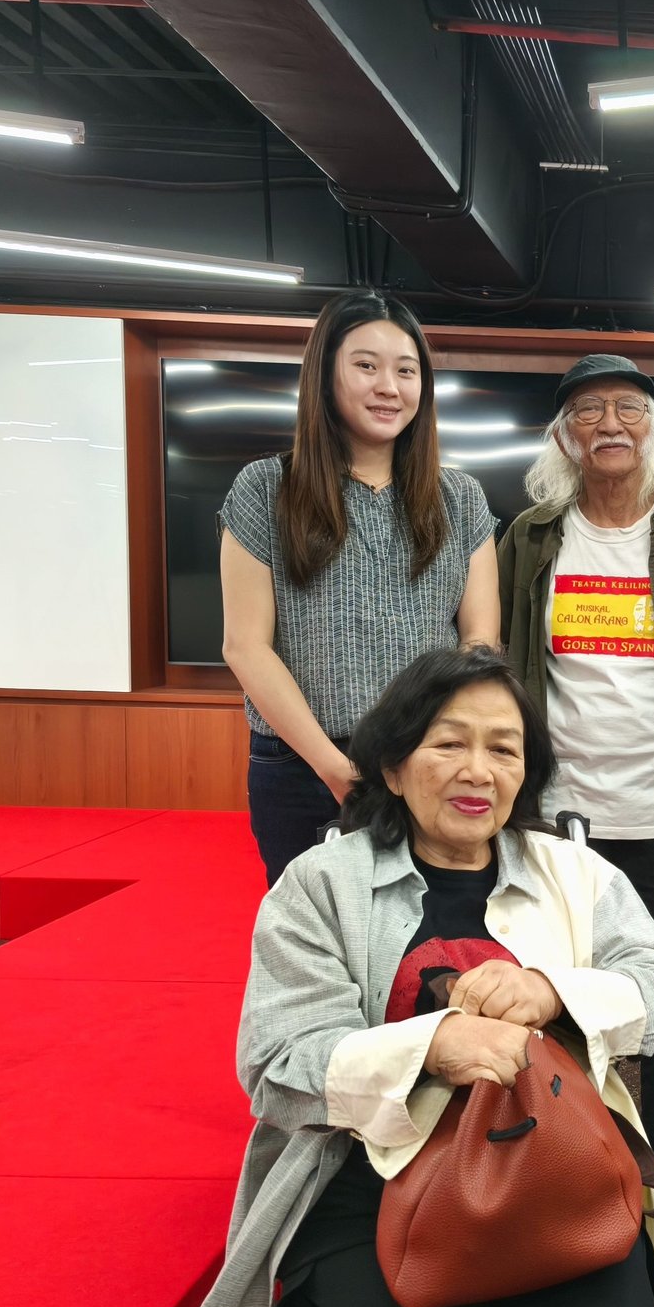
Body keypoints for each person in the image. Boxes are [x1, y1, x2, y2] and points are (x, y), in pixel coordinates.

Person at [191, 646, 654, 1307]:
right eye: (448, 743)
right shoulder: (322, 887)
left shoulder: (574, 873)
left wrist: (552, 989)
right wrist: (432, 1048)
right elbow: (278, 1061)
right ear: (392, 767)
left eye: (503, 748)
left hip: (556, 1173)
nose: (478, 770)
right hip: (365, 1183)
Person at [499, 352, 654, 1252]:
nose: (610, 424)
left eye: (628, 409)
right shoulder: (530, 538)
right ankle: (565, 1169)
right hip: (559, 820)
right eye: (589, 411)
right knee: (551, 1002)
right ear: (563, 435)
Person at [218, 290, 500, 887]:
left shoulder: (460, 498)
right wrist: (338, 770)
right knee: (312, 948)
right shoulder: (265, 488)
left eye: (406, 370)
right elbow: (246, 647)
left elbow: (479, 639)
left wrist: (443, 753)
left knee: (426, 948)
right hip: (299, 768)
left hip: (427, 765)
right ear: (326, 375)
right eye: (366, 365)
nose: (389, 387)